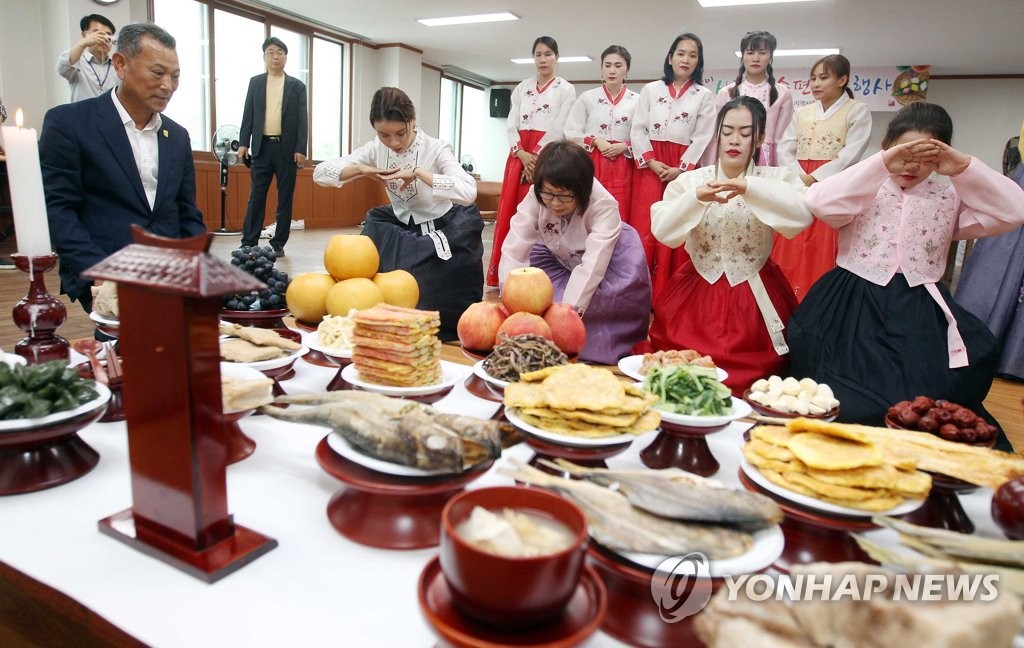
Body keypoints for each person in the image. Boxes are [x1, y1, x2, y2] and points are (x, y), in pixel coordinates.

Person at [787, 103, 1024, 444]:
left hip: (919, 306)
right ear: (886, 148)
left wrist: (963, 167)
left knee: (929, 393)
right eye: (903, 153)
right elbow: (818, 201)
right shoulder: (863, 189)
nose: (911, 165)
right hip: (852, 303)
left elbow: (1015, 210)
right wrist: (881, 164)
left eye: (925, 156)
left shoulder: (948, 197)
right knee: (845, 395)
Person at [642, 96, 813, 393]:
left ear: (760, 138)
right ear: (717, 134)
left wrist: (750, 188)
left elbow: (801, 216)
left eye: (745, 133)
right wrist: (696, 198)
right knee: (680, 371)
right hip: (695, 291)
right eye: (727, 131)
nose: (735, 140)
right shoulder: (691, 181)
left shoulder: (777, 178)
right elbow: (664, 231)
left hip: (753, 292)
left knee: (756, 380)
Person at [40, 22, 206, 313]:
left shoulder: (177, 136)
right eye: (158, 72)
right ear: (120, 64)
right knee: (127, 340)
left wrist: (196, 262)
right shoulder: (69, 124)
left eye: (175, 76)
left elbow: (186, 211)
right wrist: (100, 272)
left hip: (169, 275)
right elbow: (59, 210)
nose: (168, 86)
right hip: (105, 270)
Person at [313, 87, 483, 341]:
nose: (394, 143)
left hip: (440, 229)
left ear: (413, 120)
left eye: (401, 133)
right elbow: (320, 173)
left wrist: (420, 173)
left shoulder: (436, 149)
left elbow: (468, 191)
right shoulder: (375, 149)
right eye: (384, 135)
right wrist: (360, 169)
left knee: (425, 303)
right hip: (401, 228)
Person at [499, 141, 651, 364]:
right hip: (561, 254)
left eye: (564, 196)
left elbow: (592, 266)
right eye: (548, 194)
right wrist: (509, 296)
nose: (555, 203)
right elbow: (516, 243)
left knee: (603, 305)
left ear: (582, 188)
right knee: (538, 296)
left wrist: (566, 315)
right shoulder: (538, 193)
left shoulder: (603, 205)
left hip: (610, 259)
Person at [773, 54, 871, 300]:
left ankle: (818, 298)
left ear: (842, 80)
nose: (816, 84)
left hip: (833, 185)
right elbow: (785, 147)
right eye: (813, 78)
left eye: (823, 78)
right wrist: (799, 176)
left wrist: (816, 177)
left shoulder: (856, 111)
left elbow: (850, 154)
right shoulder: (802, 112)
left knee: (822, 240)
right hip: (799, 180)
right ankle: (783, 297)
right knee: (793, 236)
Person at [629, 33, 716, 300]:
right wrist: (651, 161)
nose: (685, 59)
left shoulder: (704, 95)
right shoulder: (650, 90)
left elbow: (703, 136)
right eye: (680, 53)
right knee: (645, 225)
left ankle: (669, 295)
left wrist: (681, 169)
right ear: (670, 58)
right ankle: (639, 293)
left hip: (682, 169)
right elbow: (638, 128)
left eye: (692, 55)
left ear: (698, 62)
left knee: (677, 223)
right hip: (650, 166)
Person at [487, 36, 576, 287]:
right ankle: (505, 274)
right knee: (511, 211)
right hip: (518, 156)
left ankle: (541, 275)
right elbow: (511, 122)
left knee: (541, 211)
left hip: (546, 156)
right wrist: (521, 153)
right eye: (538, 54)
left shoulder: (566, 89)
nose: (543, 59)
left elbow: (560, 125)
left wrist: (536, 156)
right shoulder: (522, 87)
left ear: (557, 57)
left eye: (548, 54)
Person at [238, 37, 308, 257]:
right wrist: (243, 142)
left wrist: (301, 148)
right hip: (261, 147)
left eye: (279, 52)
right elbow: (248, 113)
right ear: (264, 57)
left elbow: (302, 120)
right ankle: (248, 241)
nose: (275, 56)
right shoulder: (256, 83)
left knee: (284, 198)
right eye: (270, 52)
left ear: (286, 57)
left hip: (286, 150)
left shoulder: (297, 86)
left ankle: (278, 243)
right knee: (256, 196)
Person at [563, 45, 639, 220]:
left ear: (627, 70)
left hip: (624, 163)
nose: (612, 70)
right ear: (601, 69)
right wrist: (596, 140)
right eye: (607, 65)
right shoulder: (587, 97)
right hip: (592, 161)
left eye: (618, 66)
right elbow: (570, 132)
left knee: (621, 210)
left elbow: (645, 134)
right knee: (590, 207)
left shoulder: (638, 100)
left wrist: (625, 146)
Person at [703, 31, 793, 167]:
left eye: (762, 53)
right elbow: (716, 136)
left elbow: (784, 139)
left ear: (770, 57)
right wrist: (711, 167)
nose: (756, 58)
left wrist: (784, 170)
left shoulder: (782, 94)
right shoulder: (726, 93)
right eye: (750, 52)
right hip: (733, 154)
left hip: (769, 160)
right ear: (743, 56)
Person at [56, 14, 118, 103]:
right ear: (84, 35)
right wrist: (84, 43)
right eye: (98, 34)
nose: (104, 39)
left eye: (108, 35)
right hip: (82, 111)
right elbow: (62, 67)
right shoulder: (77, 63)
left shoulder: (117, 67)